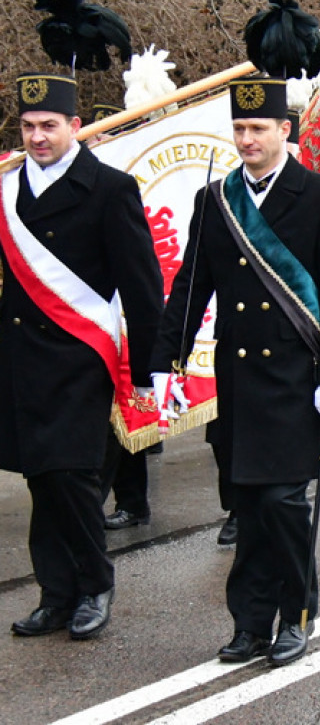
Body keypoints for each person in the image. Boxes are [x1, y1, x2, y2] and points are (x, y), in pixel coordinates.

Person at [150, 76, 320, 666]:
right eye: (239, 128)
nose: (246, 138)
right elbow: (190, 288)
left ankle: (295, 615)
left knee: (284, 505)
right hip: (240, 385)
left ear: (284, 132)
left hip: (298, 383)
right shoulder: (215, 201)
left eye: (258, 128)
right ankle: (249, 623)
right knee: (247, 505)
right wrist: (165, 359)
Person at [2, 73, 163, 639]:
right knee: (41, 480)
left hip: (81, 361)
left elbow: (142, 289)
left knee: (72, 475)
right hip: (21, 361)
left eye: (49, 126)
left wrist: (147, 370)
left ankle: (94, 583)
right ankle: (55, 593)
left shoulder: (110, 188)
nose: (38, 137)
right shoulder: (7, 187)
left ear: (75, 126)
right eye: (28, 127)